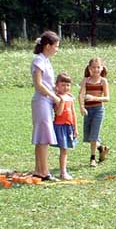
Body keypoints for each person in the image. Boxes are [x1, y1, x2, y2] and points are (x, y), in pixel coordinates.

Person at [31, 30, 61, 181]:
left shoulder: (46, 61)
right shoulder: (39, 60)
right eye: (56, 46)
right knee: (43, 139)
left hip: (46, 102)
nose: (57, 49)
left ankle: (39, 170)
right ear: (48, 46)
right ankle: (44, 172)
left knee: (41, 138)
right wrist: (54, 97)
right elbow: (38, 84)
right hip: (41, 101)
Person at [78, 57, 110, 167]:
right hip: (88, 110)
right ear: (89, 68)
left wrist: (94, 98)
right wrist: (82, 107)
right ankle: (102, 148)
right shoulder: (86, 80)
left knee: (94, 136)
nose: (96, 69)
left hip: (98, 110)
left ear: (102, 68)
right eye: (93, 67)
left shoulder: (103, 81)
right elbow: (81, 94)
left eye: (98, 67)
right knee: (88, 136)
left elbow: (107, 98)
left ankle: (93, 158)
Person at [52, 73, 78, 180]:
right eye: (63, 85)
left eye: (68, 85)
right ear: (57, 85)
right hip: (60, 126)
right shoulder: (57, 97)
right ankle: (63, 172)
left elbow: (73, 112)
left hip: (69, 126)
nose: (65, 87)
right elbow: (58, 113)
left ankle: (63, 170)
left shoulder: (70, 97)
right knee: (63, 149)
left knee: (66, 149)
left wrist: (75, 127)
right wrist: (62, 101)